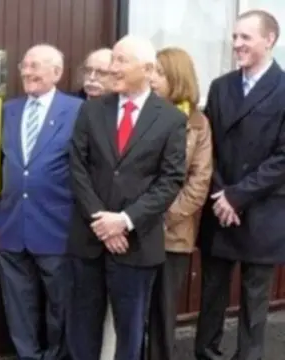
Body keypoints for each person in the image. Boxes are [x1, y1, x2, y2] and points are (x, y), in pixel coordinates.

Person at [67, 34, 186, 360]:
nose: (111, 68)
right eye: (112, 60)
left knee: (129, 333)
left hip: (136, 244)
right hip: (89, 240)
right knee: (82, 328)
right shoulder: (91, 112)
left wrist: (125, 221)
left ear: (147, 70)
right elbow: (77, 168)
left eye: (121, 61)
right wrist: (101, 222)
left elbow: (170, 180)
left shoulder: (172, 120)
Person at [195, 10, 285, 360]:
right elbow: (209, 147)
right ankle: (206, 354)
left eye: (245, 37)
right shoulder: (221, 87)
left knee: (254, 303)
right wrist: (222, 196)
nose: (237, 44)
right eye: (234, 37)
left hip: (262, 210)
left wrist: (237, 196)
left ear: (269, 39)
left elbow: (282, 158)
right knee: (211, 295)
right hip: (220, 207)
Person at [0, 44, 83, 360]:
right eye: (24, 66)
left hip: (58, 228)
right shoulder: (8, 110)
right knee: (18, 305)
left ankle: (56, 356)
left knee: (61, 306)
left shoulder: (77, 111)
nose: (27, 72)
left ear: (57, 72)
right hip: (11, 225)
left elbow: (86, 170)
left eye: (36, 66)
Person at [146, 47, 213, 360]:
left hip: (173, 233)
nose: (152, 79)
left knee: (163, 312)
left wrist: (162, 216)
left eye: (159, 72)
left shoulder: (198, 123)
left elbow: (199, 182)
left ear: (176, 77)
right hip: (133, 228)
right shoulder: (141, 113)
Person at [78, 47, 119, 360]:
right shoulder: (71, 108)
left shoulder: (128, 114)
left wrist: (115, 223)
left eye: (100, 73)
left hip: (120, 229)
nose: (91, 79)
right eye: (87, 71)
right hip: (77, 229)